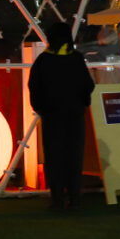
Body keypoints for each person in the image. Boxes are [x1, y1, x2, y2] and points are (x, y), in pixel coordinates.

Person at [28, 22, 95, 210]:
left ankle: (57, 199)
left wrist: (40, 107)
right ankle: (74, 198)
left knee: (54, 156)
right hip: (75, 115)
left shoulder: (43, 61)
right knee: (74, 156)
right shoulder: (76, 59)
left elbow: (34, 86)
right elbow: (88, 85)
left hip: (51, 116)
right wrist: (82, 103)